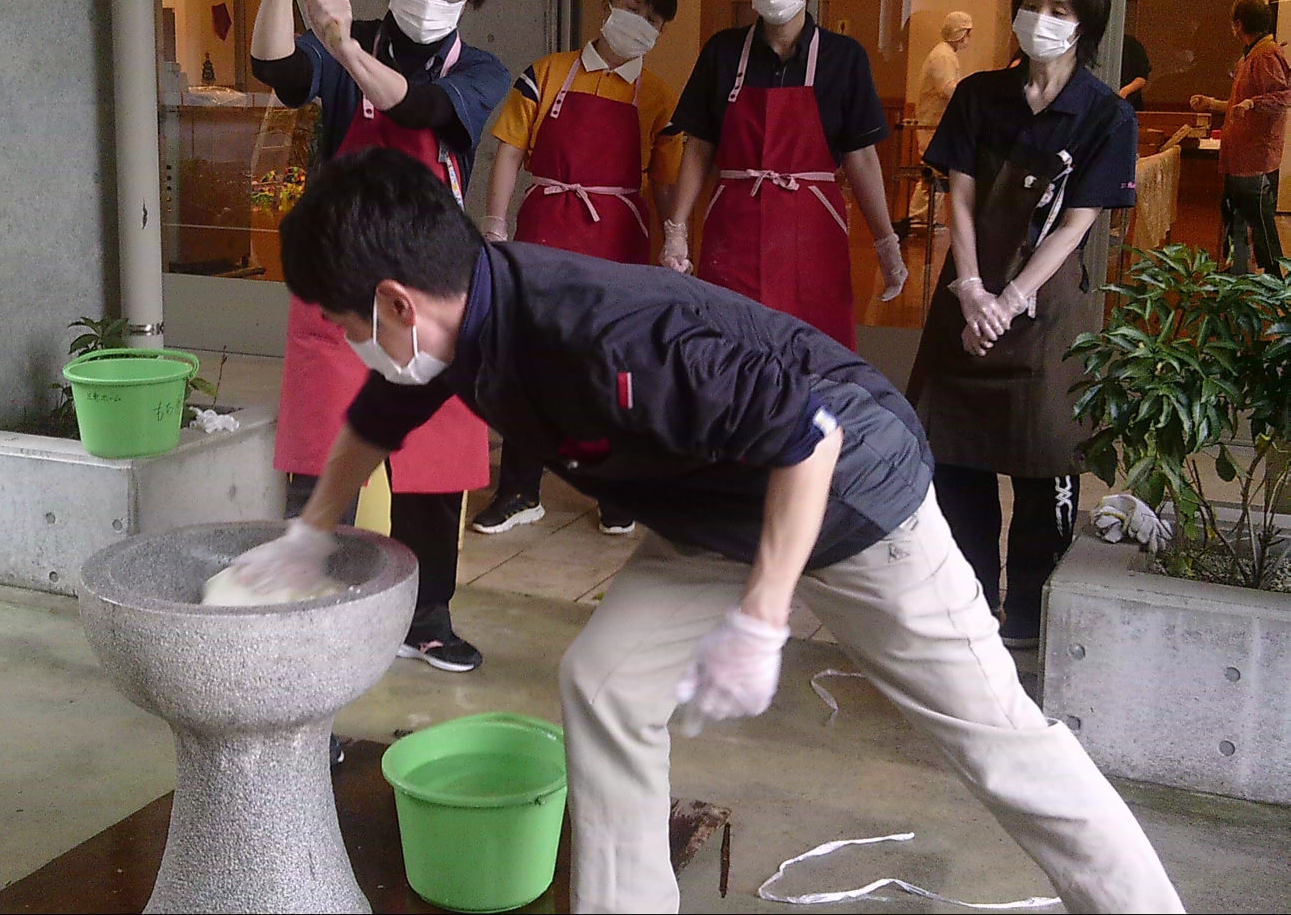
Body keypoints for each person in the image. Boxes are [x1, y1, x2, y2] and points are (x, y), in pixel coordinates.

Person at [235, 146, 1184, 915]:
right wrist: (311, 532)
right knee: (606, 681)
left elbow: (808, 438)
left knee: (997, 743)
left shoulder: (601, 335)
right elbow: (376, 417)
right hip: (716, 505)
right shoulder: (457, 321)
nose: (349, 341)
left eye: (344, 322)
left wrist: (764, 620)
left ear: (396, 304)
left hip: (855, 495)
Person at [248, 0, 509, 671]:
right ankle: (306, 601)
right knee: (319, 453)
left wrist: (345, 49)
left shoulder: (479, 71)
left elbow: (416, 107)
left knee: (434, 461)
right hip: (342, 285)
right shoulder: (344, 37)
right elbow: (273, 63)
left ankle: (426, 615)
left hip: (431, 293)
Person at [907, 0, 1139, 650]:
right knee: (955, 458)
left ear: (1085, 24)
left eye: (1059, 9)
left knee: (1047, 460)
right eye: (1032, 3)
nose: (1041, 18)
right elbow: (960, 195)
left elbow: (1075, 223)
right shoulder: (980, 95)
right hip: (967, 293)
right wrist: (972, 288)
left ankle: (1033, 614)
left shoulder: (1105, 114)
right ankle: (972, 605)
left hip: (1046, 306)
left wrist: (1007, 300)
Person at [469, 0, 684, 537]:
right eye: (632, 6)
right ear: (607, 3)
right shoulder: (545, 73)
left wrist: (675, 240)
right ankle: (519, 490)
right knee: (530, 362)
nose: (639, 21)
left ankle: (615, 490)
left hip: (620, 238)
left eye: (653, 18)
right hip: (545, 228)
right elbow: (508, 151)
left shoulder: (659, 96)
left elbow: (665, 182)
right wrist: (495, 223)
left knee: (613, 367)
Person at [663, 0, 907, 349]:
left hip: (813, 238)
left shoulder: (843, 58)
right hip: (734, 234)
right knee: (731, 350)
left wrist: (886, 243)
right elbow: (699, 147)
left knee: (813, 355)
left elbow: (862, 157)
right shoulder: (722, 52)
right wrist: (676, 230)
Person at [1190, 0, 1291, 276]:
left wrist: (1252, 103)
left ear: (1238, 25)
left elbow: (1284, 96)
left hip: (1254, 157)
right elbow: (1240, 104)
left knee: (1260, 225)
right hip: (1242, 156)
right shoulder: (1253, 54)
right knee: (1236, 217)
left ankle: (1275, 284)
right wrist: (1212, 103)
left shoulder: (1265, 55)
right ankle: (1238, 273)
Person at [896, 9, 972, 237]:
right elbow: (948, 89)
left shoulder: (946, 54)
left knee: (935, 172)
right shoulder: (942, 56)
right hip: (933, 123)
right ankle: (920, 218)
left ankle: (923, 217)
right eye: (967, 32)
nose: (969, 38)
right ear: (959, 32)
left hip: (939, 123)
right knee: (933, 172)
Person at [1119, 32, 1151, 111]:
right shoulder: (1093, 43)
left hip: (1130, 105)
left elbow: (1142, 77)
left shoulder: (1131, 44)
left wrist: (1125, 91)